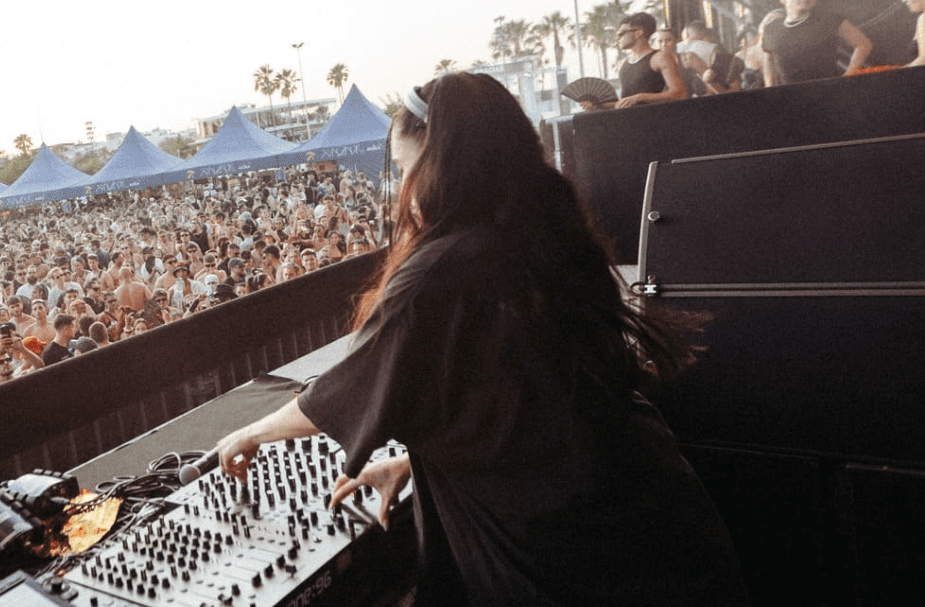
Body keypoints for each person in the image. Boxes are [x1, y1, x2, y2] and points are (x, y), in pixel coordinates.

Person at [214, 73, 747, 604]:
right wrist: (419, 466)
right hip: (656, 517)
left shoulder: (437, 271)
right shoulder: (540, 230)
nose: (401, 189)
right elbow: (526, 398)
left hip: (574, 557)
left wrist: (251, 434)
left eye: (402, 168)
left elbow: (355, 384)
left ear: (438, 163)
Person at [760, 0, 872, 85]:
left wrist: (847, 77)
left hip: (827, 89)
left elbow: (864, 44)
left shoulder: (829, 20)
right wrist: (770, 89)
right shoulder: (771, 27)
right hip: (788, 93)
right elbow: (768, 59)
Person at [580, 12, 686, 110]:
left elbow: (680, 93)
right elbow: (624, 102)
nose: (617, 38)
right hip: (628, 119)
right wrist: (598, 105)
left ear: (638, 33)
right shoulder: (623, 64)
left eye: (621, 33)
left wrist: (640, 97)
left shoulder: (659, 57)